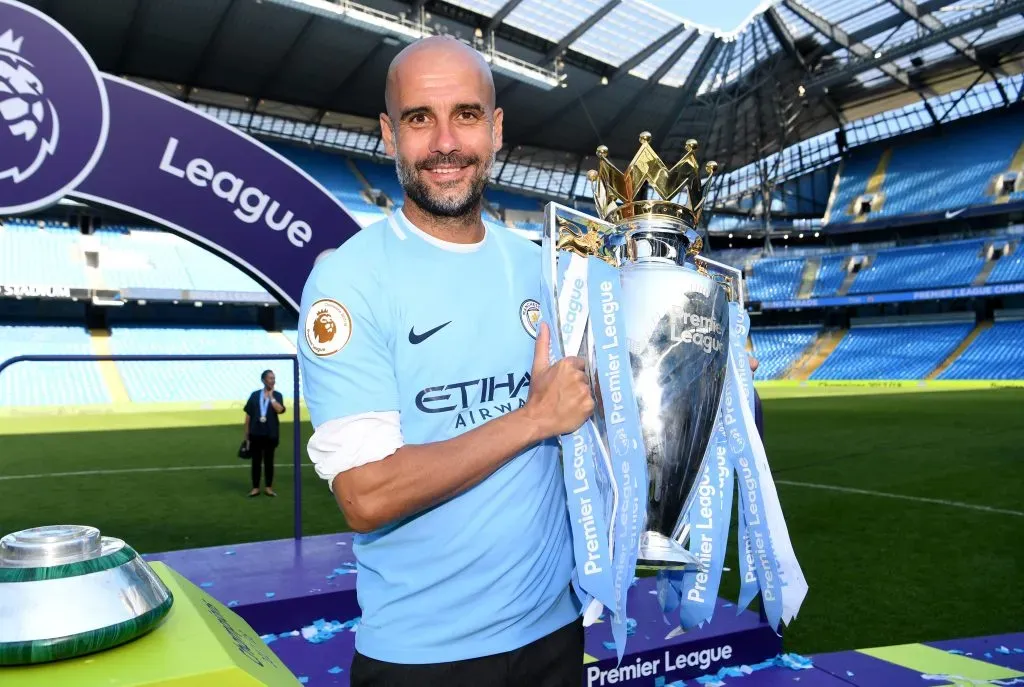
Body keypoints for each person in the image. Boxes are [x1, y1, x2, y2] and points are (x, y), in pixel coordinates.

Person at [297, 36, 592, 687]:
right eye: (418, 118)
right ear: (387, 134)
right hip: (425, 658)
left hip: (555, 634)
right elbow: (366, 494)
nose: (444, 143)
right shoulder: (349, 282)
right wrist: (532, 418)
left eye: (464, 114)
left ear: (495, 128)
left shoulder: (546, 268)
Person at [243, 369, 286, 497]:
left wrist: (271, 398)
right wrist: (247, 435)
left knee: (269, 461)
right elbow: (248, 416)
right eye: (270, 378)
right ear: (263, 380)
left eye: (274, 378)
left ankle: (268, 487)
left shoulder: (278, 395)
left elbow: (279, 410)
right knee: (256, 462)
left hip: (271, 434)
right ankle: (255, 487)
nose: (273, 380)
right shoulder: (255, 395)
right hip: (255, 433)